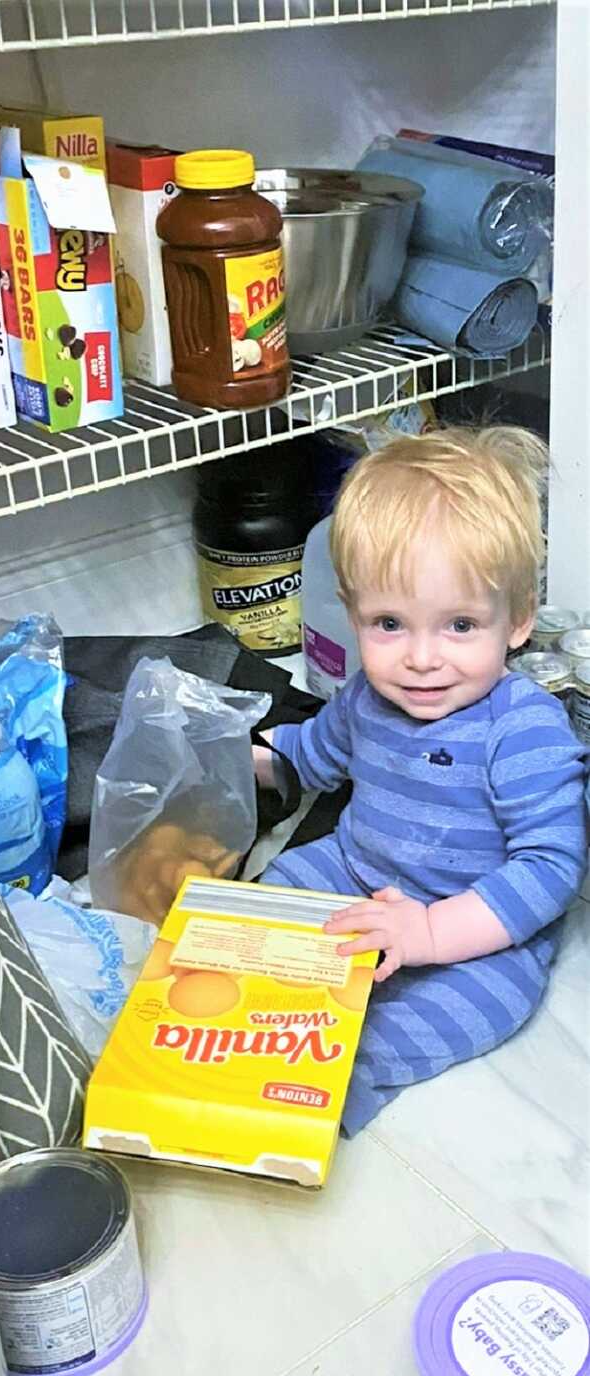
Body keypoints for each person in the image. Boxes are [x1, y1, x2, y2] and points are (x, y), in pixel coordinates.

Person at [254, 426, 588, 1131]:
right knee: (264, 904)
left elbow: (551, 867)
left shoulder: (522, 727)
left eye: (460, 624)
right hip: (356, 868)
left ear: (519, 618)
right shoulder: (366, 698)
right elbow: (316, 749)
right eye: (389, 624)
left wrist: (432, 933)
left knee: (482, 1002)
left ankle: (339, 1082)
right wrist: (261, 755)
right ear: (352, 614)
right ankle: (235, 1030)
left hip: (476, 919)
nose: (422, 659)